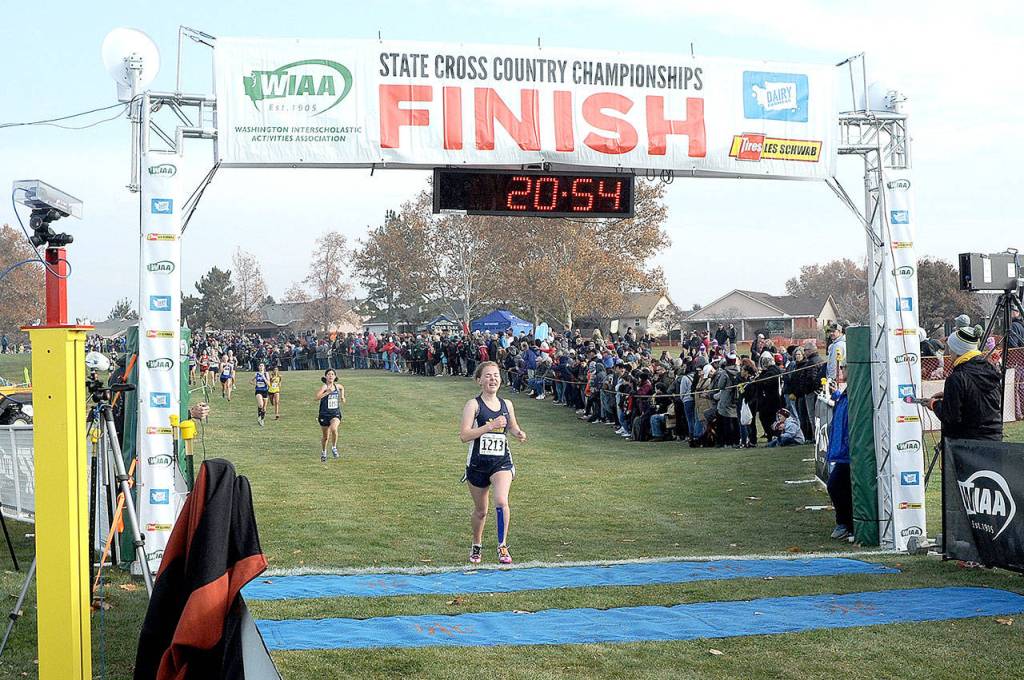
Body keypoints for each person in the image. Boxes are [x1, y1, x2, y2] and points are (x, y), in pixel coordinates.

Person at [459, 361, 527, 565]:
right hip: (478, 464)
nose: (493, 379)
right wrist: (490, 426)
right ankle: (477, 544)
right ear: (479, 380)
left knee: (501, 501)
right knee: (481, 511)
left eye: (496, 375)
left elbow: (513, 427)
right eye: (488, 375)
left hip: (501, 463)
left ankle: (502, 545)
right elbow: (464, 435)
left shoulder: (507, 405)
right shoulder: (474, 405)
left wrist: (519, 434)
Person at [925, 326, 1002, 441]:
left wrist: (934, 405)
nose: (949, 352)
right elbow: (978, 398)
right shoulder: (989, 369)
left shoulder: (957, 378)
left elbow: (951, 418)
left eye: (950, 349)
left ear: (957, 350)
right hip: (994, 440)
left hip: (968, 446)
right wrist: (950, 395)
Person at [315, 369, 346, 462]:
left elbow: (342, 388)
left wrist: (342, 396)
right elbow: (316, 397)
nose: (331, 376)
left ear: (335, 377)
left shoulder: (337, 386)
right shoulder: (324, 387)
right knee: (325, 436)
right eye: (328, 374)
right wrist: (327, 392)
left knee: (334, 429)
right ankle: (324, 452)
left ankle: (334, 447)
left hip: (335, 413)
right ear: (325, 377)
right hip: (324, 414)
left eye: (332, 374)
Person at [251, 362, 270, 427]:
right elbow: (251, 381)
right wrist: (255, 384)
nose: (261, 367)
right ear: (258, 367)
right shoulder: (256, 374)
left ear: (264, 367)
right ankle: (259, 416)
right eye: (260, 366)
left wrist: (264, 378)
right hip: (258, 391)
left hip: (265, 391)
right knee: (260, 405)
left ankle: (262, 420)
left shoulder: (266, 374)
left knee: (264, 408)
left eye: (262, 366)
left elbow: (269, 384)